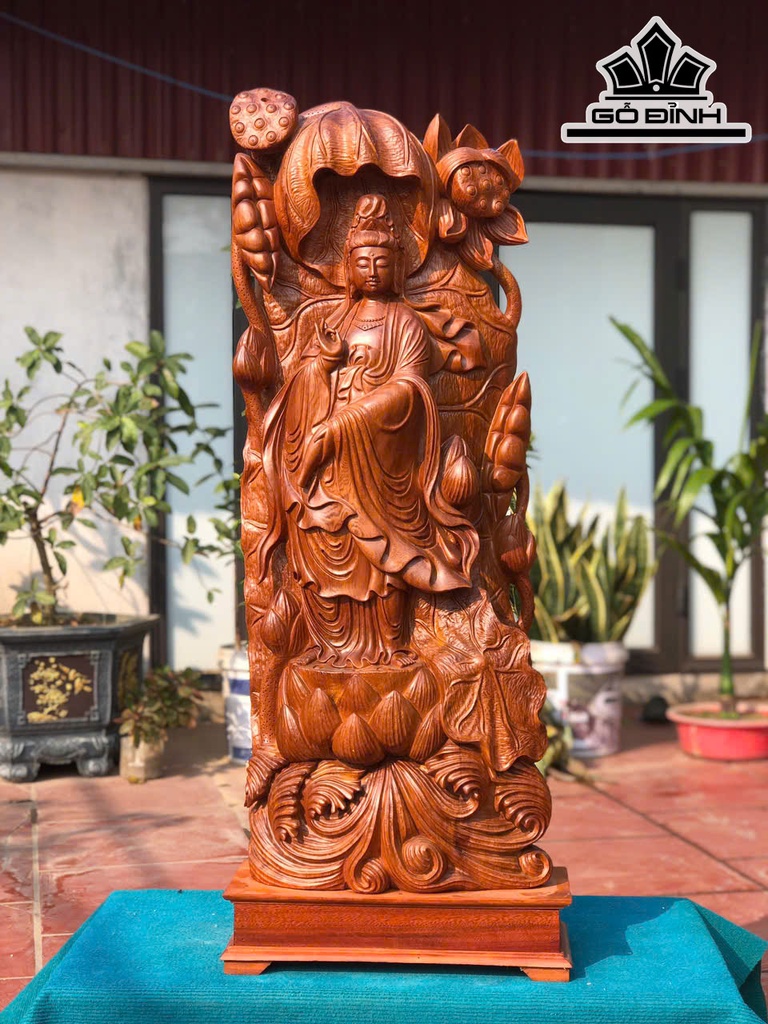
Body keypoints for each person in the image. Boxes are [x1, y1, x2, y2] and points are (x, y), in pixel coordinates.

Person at [256, 194, 478, 668]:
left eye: (381, 261)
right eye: (362, 262)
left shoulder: (405, 322)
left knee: (384, 555)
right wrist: (324, 365)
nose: (372, 270)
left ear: (397, 267)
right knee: (325, 543)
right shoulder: (337, 320)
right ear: (348, 269)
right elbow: (304, 380)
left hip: (380, 459)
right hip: (331, 460)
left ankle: (392, 646)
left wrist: (345, 422)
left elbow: (410, 387)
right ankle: (330, 645)